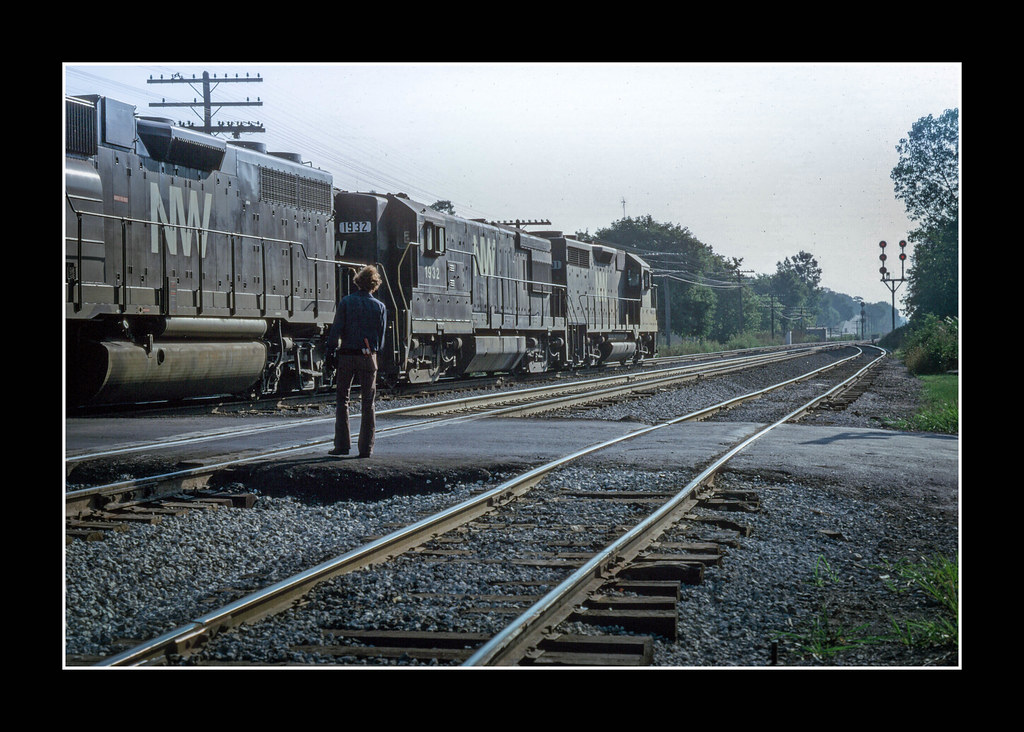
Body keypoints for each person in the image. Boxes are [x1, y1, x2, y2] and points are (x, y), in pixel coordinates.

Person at [324, 265, 387, 458]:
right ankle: (366, 448)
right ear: (374, 285)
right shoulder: (380, 307)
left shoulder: (346, 302)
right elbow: (381, 340)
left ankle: (342, 445)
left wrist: (330, 354)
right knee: (368, 402)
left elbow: (335, 332)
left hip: (347, 356)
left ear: (357, 282)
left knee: (343, 400)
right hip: (368, 357)